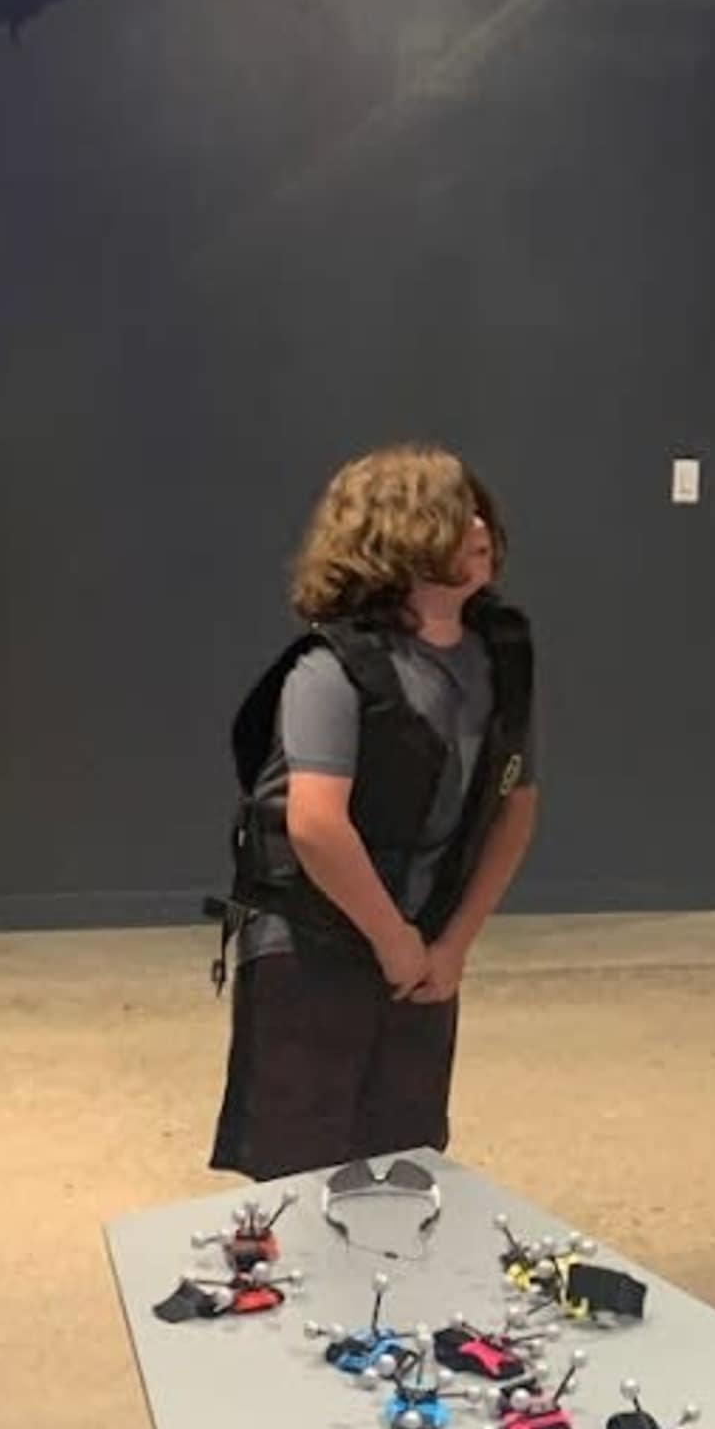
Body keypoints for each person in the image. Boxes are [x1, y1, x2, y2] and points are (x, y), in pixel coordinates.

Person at [213, 447, 537, 1179]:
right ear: (397, 534)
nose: (479, 525)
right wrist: (394, 940)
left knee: (405, 1158)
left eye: (479, 510)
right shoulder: (330, 669)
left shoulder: (502, 656)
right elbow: (317, 827)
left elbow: (516, 806)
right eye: (455, 514)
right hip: (314, 946)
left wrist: (452, 945)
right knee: (303, 1166)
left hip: (422, 950)